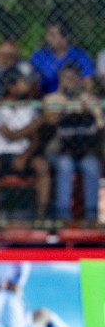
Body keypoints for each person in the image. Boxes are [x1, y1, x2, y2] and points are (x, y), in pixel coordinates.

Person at [0, 70, 48, 221]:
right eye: (23, 83)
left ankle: (41, 217)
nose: (27, 86)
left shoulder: (29, 108)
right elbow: (10, 135)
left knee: (42, 166)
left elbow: (35, 139)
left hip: (23, 153)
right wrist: (38, 122)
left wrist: (24, 157)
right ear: (11, 87)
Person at [44, 63, 103, 223]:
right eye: (66, 78)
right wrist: (66, 108)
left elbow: (100, 125)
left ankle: (91, 217)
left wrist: (89, 110)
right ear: (60, 80)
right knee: (65, 165)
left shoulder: (90, 99)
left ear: (79, 80)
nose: (70, 82)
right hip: (59, 149)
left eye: (73, 78)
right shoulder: (51, 99)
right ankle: (64, 217)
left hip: (84, 149)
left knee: (92, 166)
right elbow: (49, 121)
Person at [30, 17, 94, 95]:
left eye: (52, 35)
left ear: (65, 38)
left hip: (75, 98)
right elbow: (33, 85)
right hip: (47, 99)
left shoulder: (80, 56)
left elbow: (88, 83)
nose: (47, 38)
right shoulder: (38, 56)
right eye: (47, 34)